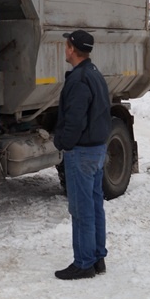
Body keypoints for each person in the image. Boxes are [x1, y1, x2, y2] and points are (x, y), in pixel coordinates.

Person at [53, 29, 112, 280]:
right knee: (95, 205)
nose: (64, 49)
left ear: (72, 49)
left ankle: (84, 263)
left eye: (66, 45)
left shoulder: (78, 80)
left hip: (82, 152)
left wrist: (63, 142)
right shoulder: (94, 73)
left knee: (81, 209)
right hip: (97, 149)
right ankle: (97, 257)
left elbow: (75, 120)